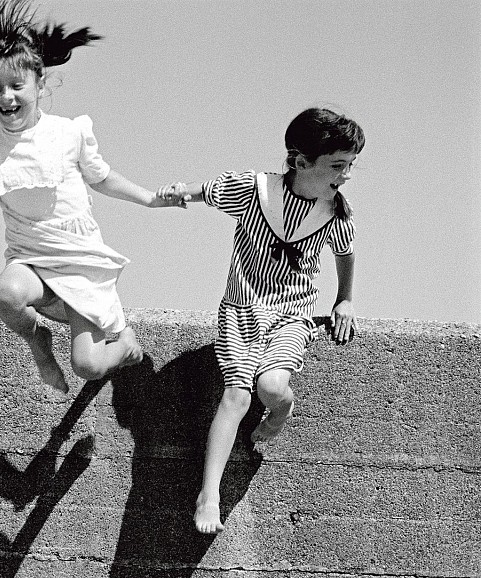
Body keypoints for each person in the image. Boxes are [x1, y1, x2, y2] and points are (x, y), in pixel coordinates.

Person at [0, 0, 175, 393]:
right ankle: (39, 343)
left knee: (88, 367)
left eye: (16, 86)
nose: (6, 97)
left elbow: (103, 178)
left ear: (40, 86)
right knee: (6, 293)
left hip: (77, 259)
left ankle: (124, 345)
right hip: (30, 258)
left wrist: (149, 198)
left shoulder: (69, 133)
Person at [157, 107, 366, 534]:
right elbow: (207, 191)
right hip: (242, 309)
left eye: (350, 166)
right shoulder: (255, 191)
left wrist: (344, 299)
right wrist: (179, 192)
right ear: (301, 161)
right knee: (237, 394)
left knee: (271, 388)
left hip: (292, 314)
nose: (346, 175)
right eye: (338, 166)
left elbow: (344, 255)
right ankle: (209, 493)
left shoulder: (334, 213)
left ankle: (283, 407)